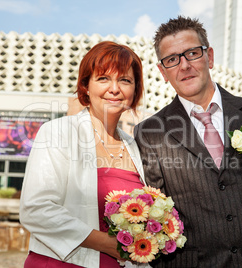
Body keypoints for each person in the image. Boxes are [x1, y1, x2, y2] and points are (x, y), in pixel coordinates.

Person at [134, 16, 242, 267]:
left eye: (192, 53)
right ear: (163, 72)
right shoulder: (149, 132)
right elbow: (155, 222)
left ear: (210, 57)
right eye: (172, 59)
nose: (184, 65)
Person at [20, 41, 148, 267]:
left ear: (135, 90)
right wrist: (108, 244)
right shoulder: (57, 132)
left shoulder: (134, 146)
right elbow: (36, 209)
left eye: (125, 80)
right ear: (86, 86)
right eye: (103, 78)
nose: (115, 88)